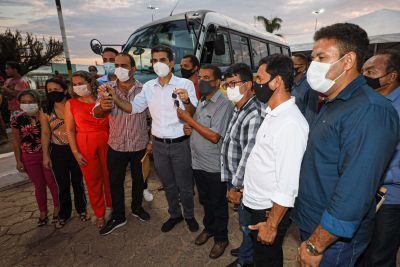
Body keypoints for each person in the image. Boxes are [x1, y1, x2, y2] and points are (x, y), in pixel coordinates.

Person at [291, 23, 400, 267]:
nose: (313, 65)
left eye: (321, 57)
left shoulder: (369, 111)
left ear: (348, 60)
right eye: (312, 58)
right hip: (314, 221)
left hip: (333, 237)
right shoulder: (334, 102)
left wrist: (316, 243)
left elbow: (355, 188)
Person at [101, 44, 199, 233]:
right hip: (159, 145)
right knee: (168, 184)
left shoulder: (184, 85)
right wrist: (114, 97)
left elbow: (192, 112)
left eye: (162, 60)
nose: (157, 64)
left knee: (185, 185)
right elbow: (132, 108)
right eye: (154, 60)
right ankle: (174, 215)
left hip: (180, 144)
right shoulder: (148, 87)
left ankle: (189, 215)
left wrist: (186, 100)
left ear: (171, 63)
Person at [244, 54, 309, 266]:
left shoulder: (290, 123)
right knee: (261, 256)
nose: (256, 85)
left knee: (267, 260)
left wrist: (271, 225)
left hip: (268, 211)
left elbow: (288, 183)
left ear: (277, 81)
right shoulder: (273, 113)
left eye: (260, 79)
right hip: (258, 204)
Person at [176, 64, 233, 259]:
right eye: (200, 77)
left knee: (218, 203)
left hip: (214, 165)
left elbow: (215, 136)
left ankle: (221, 238)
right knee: (205, 200)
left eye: (207, 78)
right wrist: (190, 129)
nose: (202, 81)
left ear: (218, 82)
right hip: (198, 162)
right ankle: (209, 229)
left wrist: (189, 121)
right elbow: (201, 127)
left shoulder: (224, 104)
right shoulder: (201, 100)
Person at [94, 52, 151, 235]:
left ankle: (137, 208)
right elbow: (96, 113)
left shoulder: (145, 90)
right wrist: (102, 108)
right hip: (116, 145)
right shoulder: (105, 88)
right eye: (116, 64)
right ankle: (118, 216)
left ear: (133, 69)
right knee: (115, 182)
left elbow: (153, 118)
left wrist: (151, 142)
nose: (118, 69)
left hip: (139, 144)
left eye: (123, 65)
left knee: (139, 180)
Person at [357, 49, 400, 267]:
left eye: (371, 71)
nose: (364, 76)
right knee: (360, 252)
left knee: (379, 257)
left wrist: (376, 174)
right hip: (364, 193)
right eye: (363, 71)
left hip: (389, 198)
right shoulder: (368, 102)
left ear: (391, 76)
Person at [221, 63, 263, 267]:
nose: (229, 88)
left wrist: (236, 186)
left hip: (245, 183)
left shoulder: (253, 114)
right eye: (227, 84)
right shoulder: (238, 108)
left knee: (248, 224)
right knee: (244, 222)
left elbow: (249, 156)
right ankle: (247, 249)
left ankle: (246, 261)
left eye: (233, 83)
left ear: (247, 84)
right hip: (235, 178)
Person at [64, 71, 111, 229]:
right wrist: (75, 152)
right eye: (74, 84)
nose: (77, 87)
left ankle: (113, 207)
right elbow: (70, 130)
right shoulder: (71, 103)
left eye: (80, 83)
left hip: (107, 140)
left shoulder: (102, 99)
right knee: (93, 181)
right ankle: (99, 214)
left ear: (90, 83)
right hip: (84, 143)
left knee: (110, 177)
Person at [40, 78, 88, 229]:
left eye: (56, 89)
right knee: (62, 184)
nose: (53, 92)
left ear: (65, 90)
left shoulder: (74, 105)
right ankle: (64, 213)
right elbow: (46, 134)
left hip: (76, 149)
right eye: (49, 90)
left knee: (77, 182)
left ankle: (82, 209)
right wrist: (45, 156)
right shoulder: (46, 110)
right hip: (58, 152)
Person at [10, 90, 59, 226]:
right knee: (39, 186)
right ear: (19, 104)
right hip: (29, 157)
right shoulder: (17, 120)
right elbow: (16, 141)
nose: (28, 105)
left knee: (52, 183)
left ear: (37, 101)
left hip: (47, 155)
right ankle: (43, 212)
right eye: (24, 102)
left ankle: (57, 208)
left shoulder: (45, 114)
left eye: (31, 102)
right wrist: (18, 160)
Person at [291, 53, 319, 124]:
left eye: (293, 64)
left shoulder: (310, 86)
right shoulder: (289, 83)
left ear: (302, 68)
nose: (289, 67)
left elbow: (311, 115)